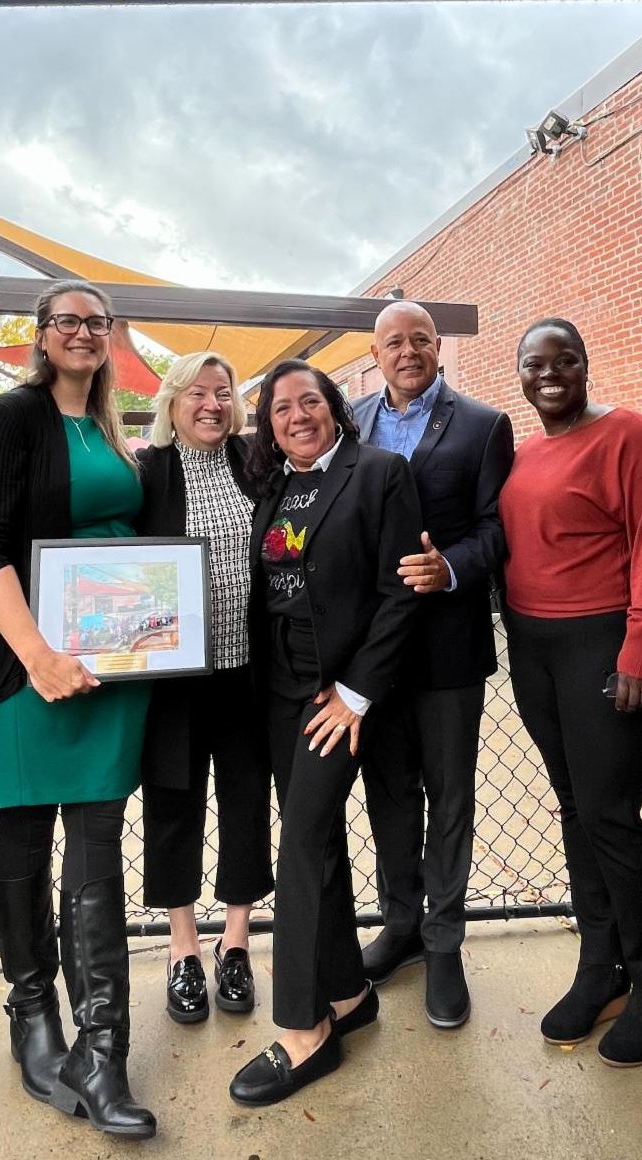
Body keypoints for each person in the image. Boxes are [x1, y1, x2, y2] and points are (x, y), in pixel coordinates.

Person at [0, 280, 155, 1141]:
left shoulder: (111, 428)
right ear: (40, 335)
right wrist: (38, 656)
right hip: (27, 661)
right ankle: (32, 1014)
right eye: (66, 320)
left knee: (99, 835)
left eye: (95, 322)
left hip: (112, 667)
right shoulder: (12, 417)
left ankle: (102, 1049)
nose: (81, 332)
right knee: (28, 829)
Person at [228, 359, 422, 1105]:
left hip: (340, 692)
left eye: (309, 402)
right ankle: (347, 992)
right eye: (281, 410)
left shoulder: (379, 474)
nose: (296, 417)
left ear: (335, 408)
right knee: (321, 840)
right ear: (270, 428)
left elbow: (401, 591)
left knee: (303, 840)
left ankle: (303, 1027)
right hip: (281, 691)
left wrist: (356, 691)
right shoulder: (273, 487)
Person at [500, 317, 642, 1069]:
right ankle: (600, 968)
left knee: (610, 816)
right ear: (519, 373)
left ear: (584, 365)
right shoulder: (525, 451)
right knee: (576, 809)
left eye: (564, 360)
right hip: (533, 646)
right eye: (534, 363)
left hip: (605, 643)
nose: (549, 373)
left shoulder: (628, 437)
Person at [350, 301, 513, 1028]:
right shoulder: (350, 420)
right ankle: (402, 926)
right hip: (373, 652)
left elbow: (497, 528)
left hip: (448, 645)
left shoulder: (482, 425)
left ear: (437, 346)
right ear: (375, 354)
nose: (408, 351)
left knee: (448, 799)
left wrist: (450, 567)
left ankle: (444, 943)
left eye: (420, 339)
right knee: (389, 794)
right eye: (394, 341)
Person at [136, 351, 273, 1023]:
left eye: (223, 392)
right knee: (173, 802)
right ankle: (183, 945)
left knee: (247, 800)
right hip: (175, 677)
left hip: (250, 671)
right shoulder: (148, 472)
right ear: (172, 401)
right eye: (197, 392)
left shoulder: (257, 464)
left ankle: (236, 940)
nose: (212, 404)